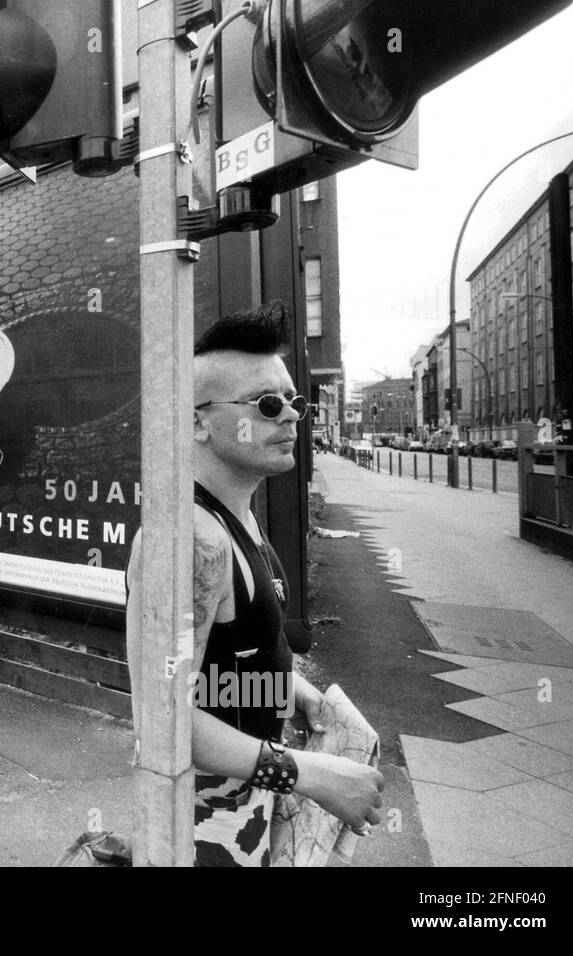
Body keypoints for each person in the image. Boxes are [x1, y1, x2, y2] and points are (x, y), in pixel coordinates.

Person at [126, 304, 384, 866]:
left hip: (250, 802)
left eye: (296, 402)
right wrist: (311, 774)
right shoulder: (189, 542)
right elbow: (160, 718)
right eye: (267, 404)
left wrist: (298, 691)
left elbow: (233, 655)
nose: (291, 417)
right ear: (197, 420)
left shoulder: (236, 514)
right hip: (201, 823)